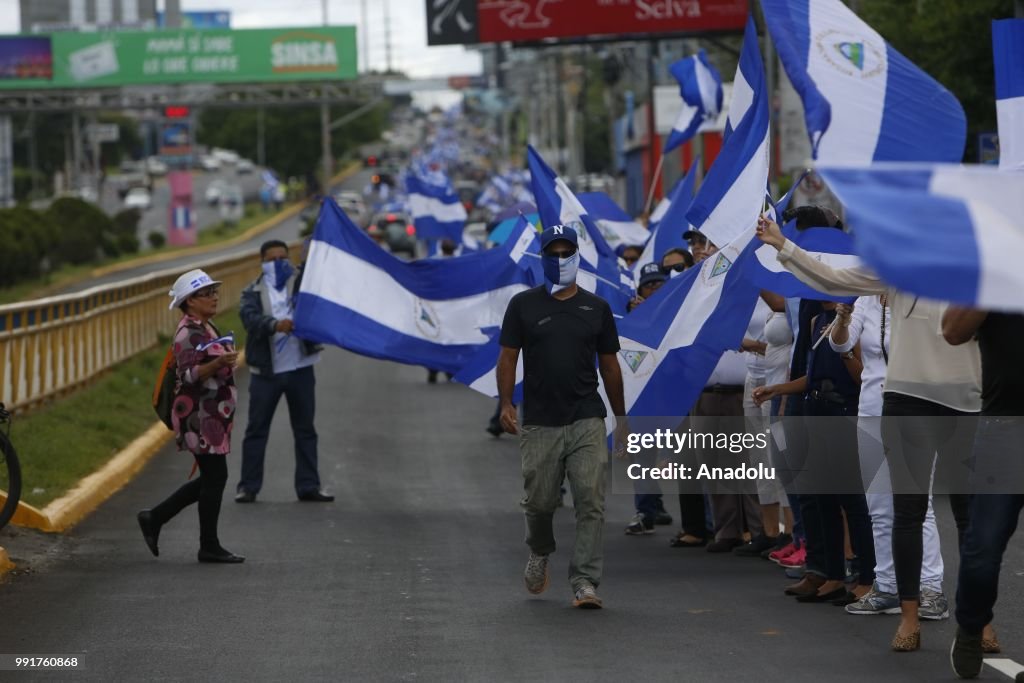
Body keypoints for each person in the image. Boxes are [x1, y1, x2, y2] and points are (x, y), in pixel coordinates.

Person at [756, 213, 980, 652]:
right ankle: (887, 584)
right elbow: (831, 282)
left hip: (930, 403)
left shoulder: (949, 279)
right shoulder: (874, 286)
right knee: (880, 503)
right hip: (879, 403)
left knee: (919, 503)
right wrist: (783, 245)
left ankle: (930, 589)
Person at [497, 224, 627, 609]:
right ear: (542, 259)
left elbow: (611, 366)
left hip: (586, 416)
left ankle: (585, 580)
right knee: (539, 503)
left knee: (591, 499)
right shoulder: (523, 305)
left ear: (576, 256)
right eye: (552, 253)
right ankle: (540, 551)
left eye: (565, 252)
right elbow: (508, 357)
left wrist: (622, 418)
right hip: (539, 420)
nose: (559, 259)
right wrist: (506, 403)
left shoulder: (596, 308)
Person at [137, 269, 243, 563]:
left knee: (212, 477)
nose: (213, 297)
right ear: (190, 301)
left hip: (212, 416)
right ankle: (207, 545)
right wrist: (218, 362)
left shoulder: (206, 326)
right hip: (199, 417)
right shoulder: (188, 332)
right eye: (206, 293)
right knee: (216, 477)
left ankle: (155, 517)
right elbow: (188, 375)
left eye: (214, 291)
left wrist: (222, 360)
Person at [944, 307, 1022, 677]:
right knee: (983, 549)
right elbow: (952, 331)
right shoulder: (996, 270)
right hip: (1004, 430)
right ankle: (972, 626)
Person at [235, 240, 334, 503]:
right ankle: (248, 487)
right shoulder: (252, 292)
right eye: (272, 258)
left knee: (305, 430)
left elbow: (321, 288)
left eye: (283, 257)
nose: (278, 262)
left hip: (300, 369)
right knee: (256, 430)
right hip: (266, 373)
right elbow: (250, 319)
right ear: (262, 262)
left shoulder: (302, 285)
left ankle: (309, 486)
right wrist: (275, 325)